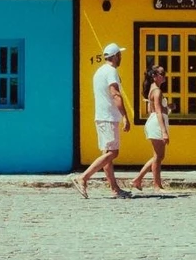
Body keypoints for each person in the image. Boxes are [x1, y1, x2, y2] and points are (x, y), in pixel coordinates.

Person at [71, 42, 131, 199]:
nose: (121, 57)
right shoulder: (111, 71)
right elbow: (115, 94)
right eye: (120, 54)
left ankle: (115, 189)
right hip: (109, 117)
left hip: (101, 116)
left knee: (106, 154)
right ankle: (83, 177)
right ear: (115, 56)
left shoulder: (99, 71)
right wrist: (125, 116)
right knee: (113, 152)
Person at [130, 64, 170, 192]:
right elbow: (157, 111)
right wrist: (164, 132)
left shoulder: (152, 90)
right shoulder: (157, 91)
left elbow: (150, 110)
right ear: (154, 76)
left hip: (154, 122)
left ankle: (138, 179)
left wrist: (167, 108)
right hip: (157, 124)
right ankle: (157, 185)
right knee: (158, 156)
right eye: (161, 74)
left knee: (157, 156)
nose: (164, 76)